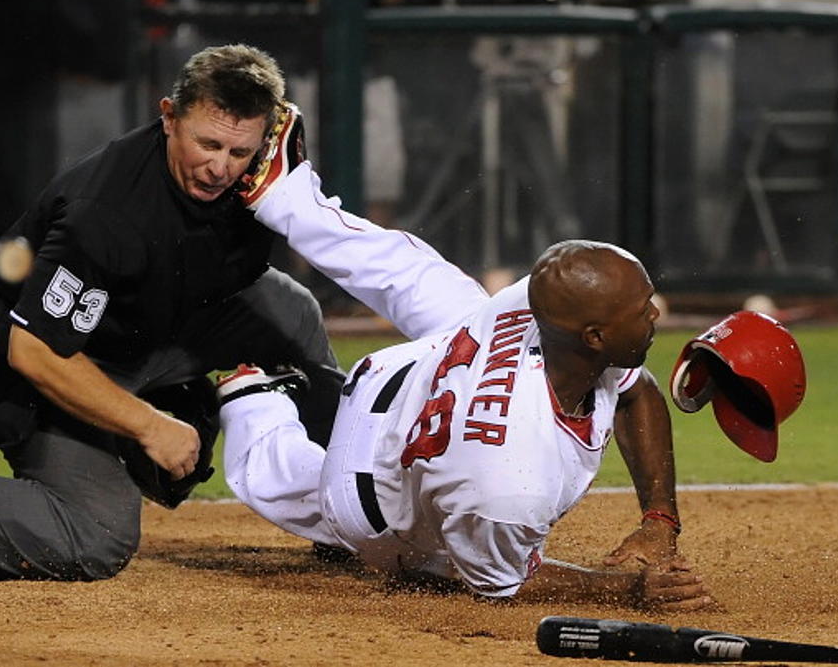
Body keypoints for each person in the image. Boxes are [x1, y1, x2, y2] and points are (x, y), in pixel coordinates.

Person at [0, 44, 344, 581]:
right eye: (208, 143)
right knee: (96, 534)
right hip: (39, 349)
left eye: (239, 152)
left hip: (151, 323)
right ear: (168, 117)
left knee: (289, 309)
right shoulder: (104, 213)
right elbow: (35, 351)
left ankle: (347, 511)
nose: (221, 167)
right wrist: (148, 424)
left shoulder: (270, 159)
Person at [213, 122, 715, 609]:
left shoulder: (543, 300)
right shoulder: (509, 483)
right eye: (642, 308)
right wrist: (625, 591)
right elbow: (502, 582)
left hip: (426, 368)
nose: (657, 313)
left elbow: (635, 387)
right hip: (367, 479)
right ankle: (251, 396)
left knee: (414, 274)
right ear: (594, 337)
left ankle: (286, 198)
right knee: (301, 486)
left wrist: (658, 520)